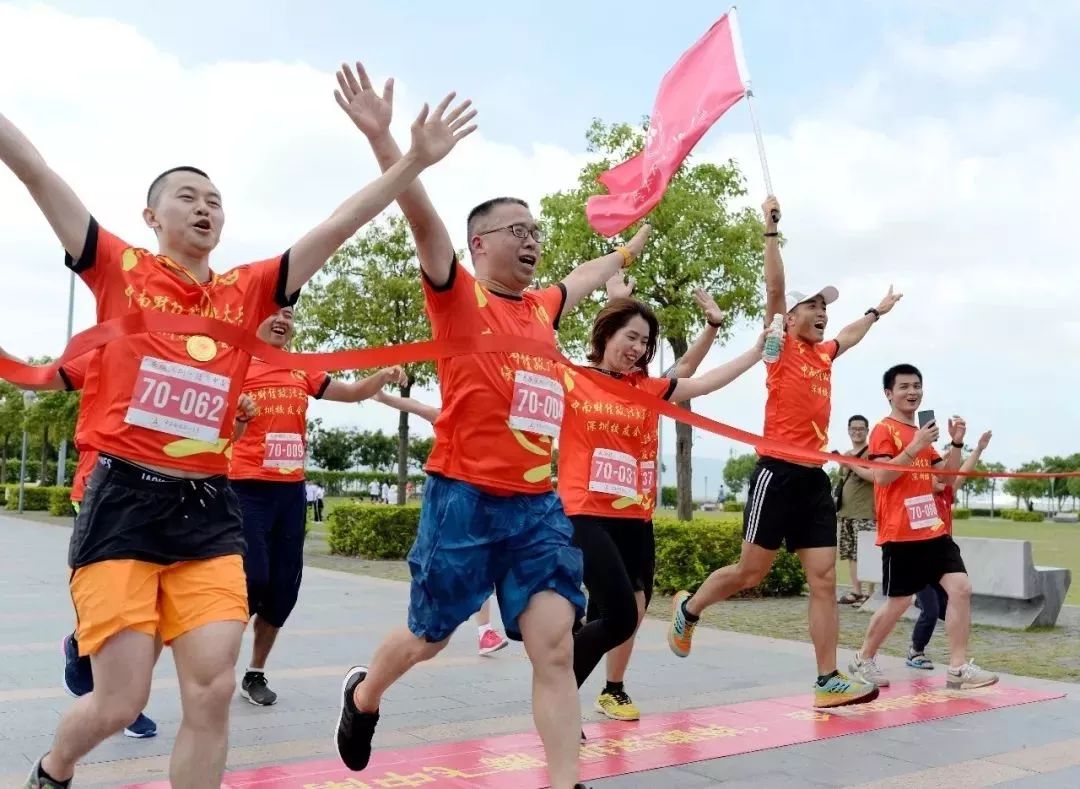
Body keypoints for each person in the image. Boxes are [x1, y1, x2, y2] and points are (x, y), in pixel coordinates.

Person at [0, 77, 475, 789]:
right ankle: (56, 763)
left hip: (209, 513)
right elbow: (36, 169)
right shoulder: (118, 266)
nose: (204, 206)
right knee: (119, 699)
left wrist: (409, 161)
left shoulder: (246, 291)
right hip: (122, 503)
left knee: (211, 689)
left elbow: (336, 227)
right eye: (187, 195)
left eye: (215, 199)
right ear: (151, 214)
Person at [332, 60, 651, 789]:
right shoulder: (457, 294)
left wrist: (627, 249)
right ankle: (363, 695)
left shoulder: (542, 309)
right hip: (463, 500)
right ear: (481, 245)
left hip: (538, 508)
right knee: (428, 637)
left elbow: (588, 274)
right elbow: (420, 218)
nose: (533, 240)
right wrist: (393, 146)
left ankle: (565, 780)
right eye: (517, 230)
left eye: (536, 231)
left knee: (554, 648)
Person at [667, 195, 900, 709]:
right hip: (776, 474)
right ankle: (691, 606)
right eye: (813, 306)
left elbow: (849, 335)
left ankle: (827, 679)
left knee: (822, 578)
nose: (822, 314)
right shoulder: (782, 347)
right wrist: (770, 232)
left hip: (813, 479)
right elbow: (774, 286)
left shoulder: (824, 353)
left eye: (825, 307)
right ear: (789, 316)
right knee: (752, 573)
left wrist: (874, 312)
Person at [559, 288, 764, 723]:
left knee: (626, 615)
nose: (637, 349)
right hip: (585, 513)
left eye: (645, 343)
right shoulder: (572, 378)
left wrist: (755, 351)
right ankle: (555, 695)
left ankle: (580, 692)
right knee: (617, 614)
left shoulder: (647, 389)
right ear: (606, 333)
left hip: (636, 518)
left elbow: (700, 379)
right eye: (630, 337)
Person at [229, 307, 406, 707]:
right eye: (272, 312)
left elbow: (349, 392)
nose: (281, 321)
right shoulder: (236, 366)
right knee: (251, 578)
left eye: (288, 315)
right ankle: (215, 663)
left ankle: (254, 672)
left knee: (283, 590)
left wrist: (381, 377)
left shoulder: (300, 368)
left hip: (290, 493)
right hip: (245, 489)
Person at [0, 346, 159, 738]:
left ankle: (101, 669)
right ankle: (117, 696)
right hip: (101, 489)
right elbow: (35, 375)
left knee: (153, 606)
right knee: (123, 602)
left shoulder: (197, 355)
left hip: (171, 499)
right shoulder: (108, 352)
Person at [848, 364, 998, 690]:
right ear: (889, 393)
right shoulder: (883, 430)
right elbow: (883, 476)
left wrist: (957, 445)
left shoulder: (923, 437)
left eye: (917, 386)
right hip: (901, 531)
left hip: (932, 527)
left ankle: (958, 668)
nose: (912, 392)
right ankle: (863, 659)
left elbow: (947, 479)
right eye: (904, 387)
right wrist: (915, 446)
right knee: (899, 603)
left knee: (960, 588)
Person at [371, 389, 510, 656]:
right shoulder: (449, 416)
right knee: (461, 574)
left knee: (482, 572)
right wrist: (384, 397)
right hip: (453, 505)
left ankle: (484, 632)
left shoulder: (493, 423)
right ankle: (444, 623)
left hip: (486, 506)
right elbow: (415, 405)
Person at [906, 430, 992, 670]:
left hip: (942, 564)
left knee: (952, 607)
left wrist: (978, 449)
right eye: (937, 475)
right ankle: (915, 651)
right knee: (931, 610)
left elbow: (961, 472)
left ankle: (959, 659)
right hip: (919, 560)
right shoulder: (918, 495)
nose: (942, 479)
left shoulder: (945, 494)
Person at [836, 415, 876, 606]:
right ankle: (856, 591)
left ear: (867, 431)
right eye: (854, 428)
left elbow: (875, 477)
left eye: (861, 429)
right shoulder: (846, 453)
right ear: (848, 430)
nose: (857, 432)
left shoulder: (872, 453)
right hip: (846, 513)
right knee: (851, 553)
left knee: (868, 554)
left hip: (866, 513)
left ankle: (870, 593)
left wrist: (851, 463)